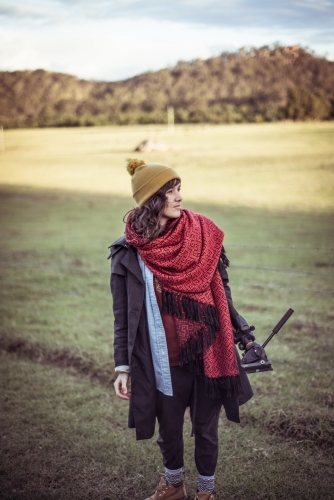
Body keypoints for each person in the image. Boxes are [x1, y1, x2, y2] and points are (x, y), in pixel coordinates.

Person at [109, 159, 253, 500]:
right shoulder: (129, 252)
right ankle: (174, 485)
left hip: (208, 350)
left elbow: (223, 291)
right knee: (168, 428)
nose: (179, 197)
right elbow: (123, 316)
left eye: (178, 189)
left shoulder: (203, 235)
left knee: (206, 428)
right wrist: (122, 366)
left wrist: (243, 334)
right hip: (161, 358)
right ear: (151, 201)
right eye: (170, 192)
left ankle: (206, 492)